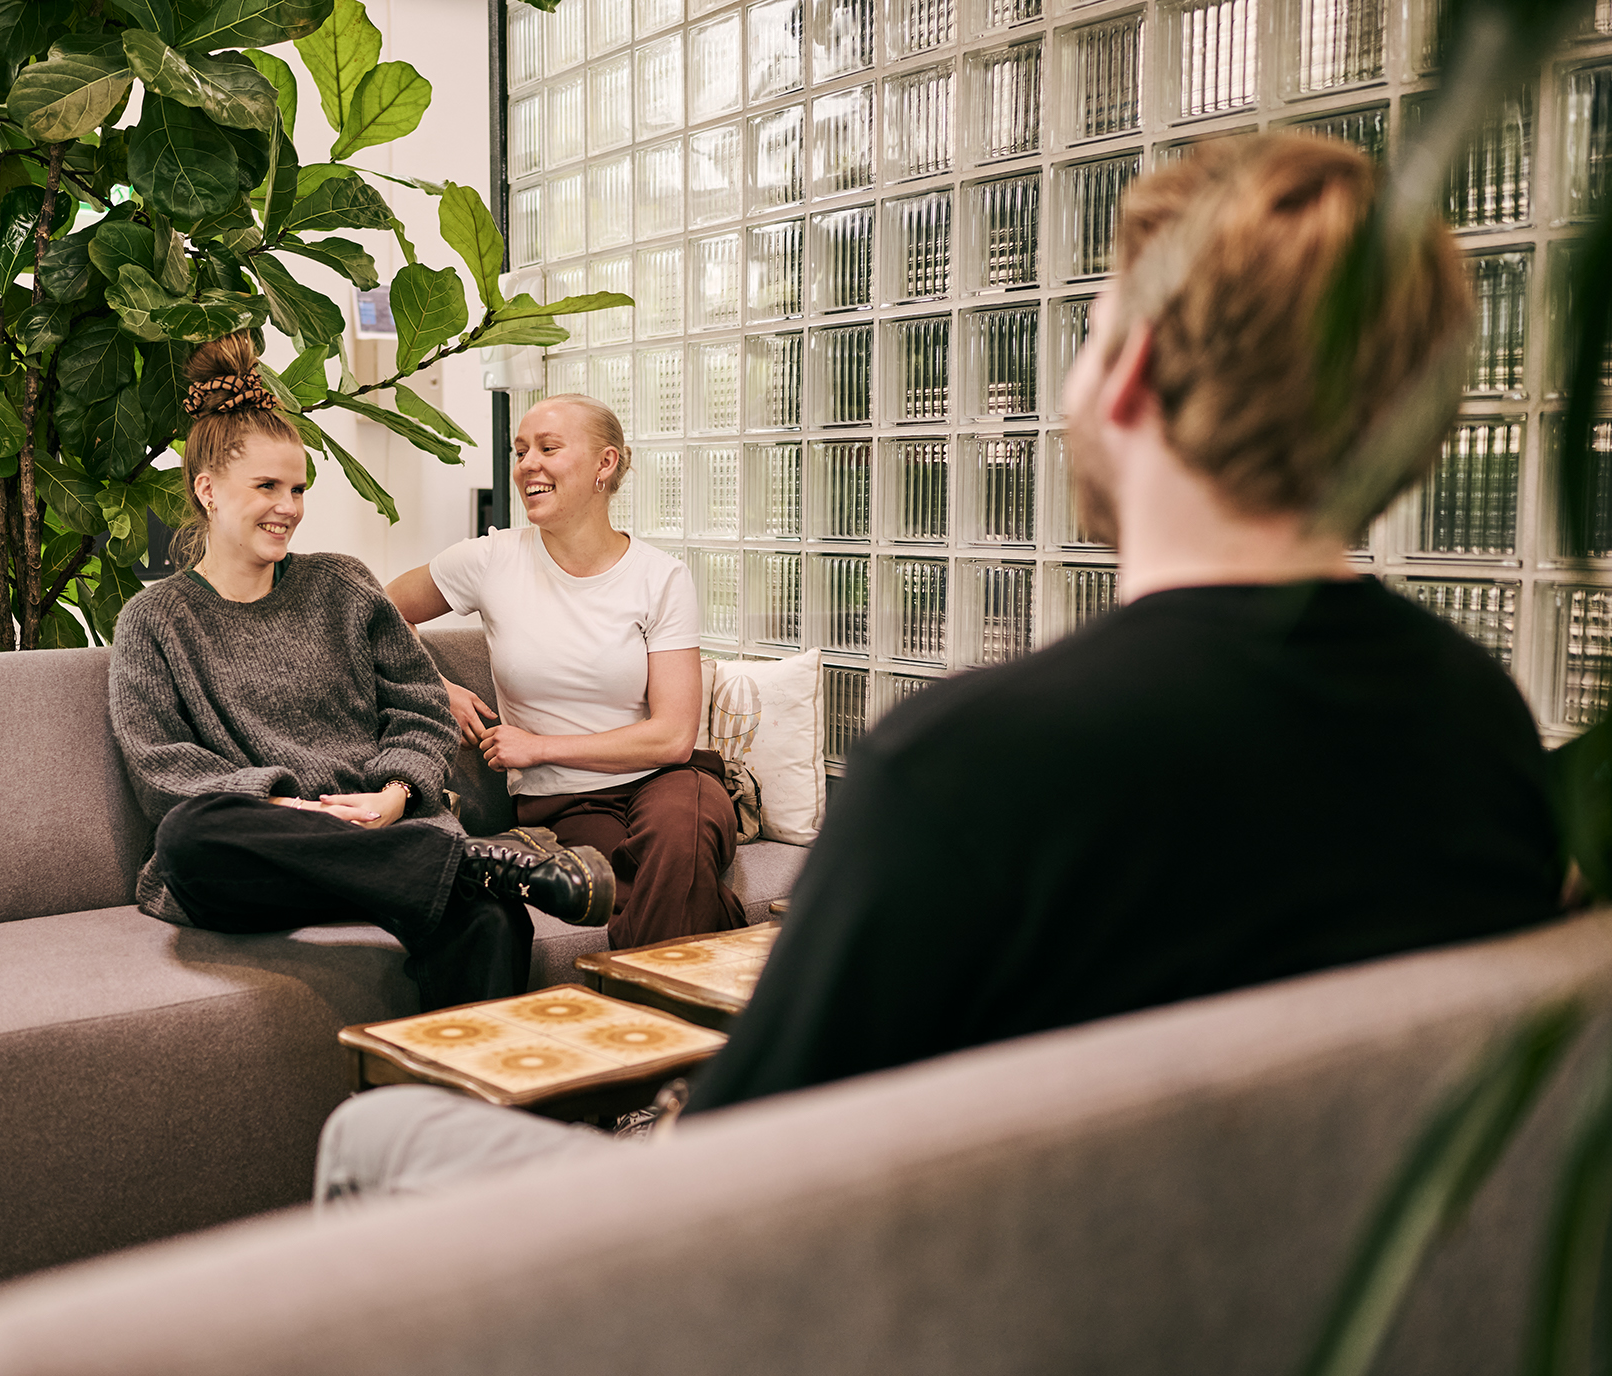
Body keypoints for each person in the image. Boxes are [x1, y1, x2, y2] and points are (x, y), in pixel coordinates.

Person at [312, 132, 1566, 1202]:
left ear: (1128, 378)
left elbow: (751, 1178)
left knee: (374, 1132)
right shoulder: (1484, 727)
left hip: (897, 1280)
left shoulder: (974, 764)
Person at [106, 334, 615, 1015]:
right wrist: (289, 810)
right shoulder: (153, 620)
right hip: (262, 854)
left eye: (296, 488)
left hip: (385, 829)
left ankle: (461, 1117)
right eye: (266, 487)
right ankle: (465, 866)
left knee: (495, 920)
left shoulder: (341, 586)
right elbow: (160, 769)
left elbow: (421, 709)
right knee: (186, 837)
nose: (288, 506)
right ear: (208, 491)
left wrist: (398, 794)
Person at [384, 395, 745, 950]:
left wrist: (539, 746)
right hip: (566, 805)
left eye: (548, 448)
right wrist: (438, 688)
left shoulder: (660, 578)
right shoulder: (488, 560)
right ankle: (715, 1002)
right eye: (520, 450)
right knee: (643, 884)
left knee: (681, 835)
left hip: (667, 783)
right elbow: (377, 613)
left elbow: (673, 737)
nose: (527, 463)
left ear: (605, 464)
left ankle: (643, 1020)